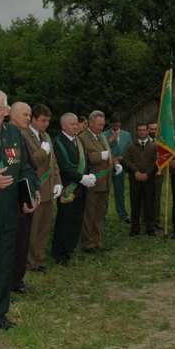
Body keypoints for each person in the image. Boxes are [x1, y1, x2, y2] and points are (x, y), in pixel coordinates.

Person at [0, 89, 38, 343]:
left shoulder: (14, 134)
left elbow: (25, 168)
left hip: (9, 216)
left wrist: (29, 193)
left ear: (5, 111)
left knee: (4, 266)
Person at [51, 112, 95, 265]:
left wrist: (90, 174)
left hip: (81, 188)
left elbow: (86, 161)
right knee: (65, 221)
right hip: (67, 188)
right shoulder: (58, 142)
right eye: (72, 124)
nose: (76, 126)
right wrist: (81, 178)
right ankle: (60, 253)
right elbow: (63, 167)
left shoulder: (78, 140)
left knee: (77, 220)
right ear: (63, 126)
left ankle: (70, 249)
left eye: (77, 123)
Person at [26, 104, 62, 273]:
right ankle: (29, 261)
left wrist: (58, 181)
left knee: (44, 226)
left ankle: (39, 259)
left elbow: (53, 162)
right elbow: (29, 162)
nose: (46, 124)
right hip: (34, 187)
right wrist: (42, 151)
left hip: (48, 187)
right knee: (33, 227)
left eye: (48, 121)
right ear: (33, 119)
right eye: (42, 120)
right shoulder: (24, 135)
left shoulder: (46, 135)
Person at [79, 110, 122, 253]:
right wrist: (99, 156)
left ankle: (96, 241)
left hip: (105, 181)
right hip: (92, 182)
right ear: (90, 123)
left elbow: (108, 154)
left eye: (103, 125)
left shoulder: (102, 136)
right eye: (98, 125)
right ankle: (87, 243)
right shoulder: (82, 137)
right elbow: (84, 158)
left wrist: (114, 164)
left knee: (100, 213)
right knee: (89, 214)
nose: (101, 127)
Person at [9, 101, 40, 293]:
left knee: (22, 240)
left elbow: (28, 167)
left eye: (29, 115)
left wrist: (34, 190)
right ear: (11, 115)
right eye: (25, 115)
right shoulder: (5, 136)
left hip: (24, 198)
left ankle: (17, 280)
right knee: (11, 244)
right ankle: (7, 283)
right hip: (10, 201)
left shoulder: (21, 136)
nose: (29, 118)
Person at [123, 122, 157, 236]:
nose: (142, 132)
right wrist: (135, 172)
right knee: (135, 204)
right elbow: (126, 161)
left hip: (149, 180)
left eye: (144, 130)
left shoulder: (154, 146)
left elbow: (156, 162)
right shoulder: (131, 146)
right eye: (139, 130)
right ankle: (135, 228)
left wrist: (147, 174)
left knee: (149, 204)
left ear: (147, 131)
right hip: (135, 180)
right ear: (136, 132)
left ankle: (150, 228)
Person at [104, 115, 131, 223]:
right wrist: (110, 141)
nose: (116, 125)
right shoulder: (104, 135)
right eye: (114, 123)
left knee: (119, 191)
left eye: (118, 123)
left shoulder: (126, 135)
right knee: (105, 191)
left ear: (120, 123)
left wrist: (122, 158)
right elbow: (101, 149)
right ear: (110, 123)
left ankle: (122, 215)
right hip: (107, 167)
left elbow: (130, 149)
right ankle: (102, 214)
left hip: (121, 166)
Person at [148, 120, 162, 229]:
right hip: (146, 174)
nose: (153, 131)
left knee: (156, 198)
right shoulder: (143, 141)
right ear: (148, 130)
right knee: (145, 198)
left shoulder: (162, 142)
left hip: (158, 174)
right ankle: (145, 220)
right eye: (151, 129)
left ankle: (156, 221)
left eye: (155, 129)